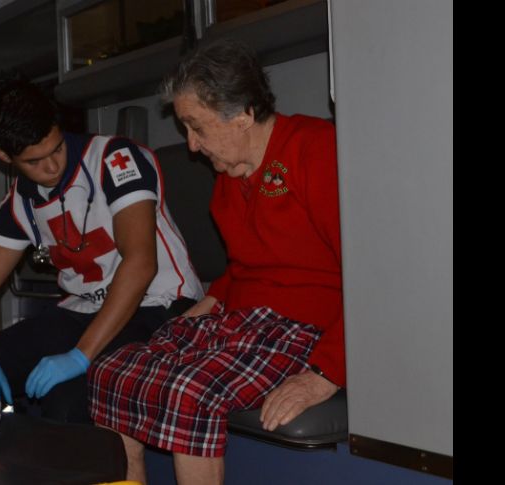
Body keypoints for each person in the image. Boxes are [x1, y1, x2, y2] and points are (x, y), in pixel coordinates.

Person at [88, 38, 345, 485]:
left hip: (302, 327)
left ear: (243, 115)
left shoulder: (316, 150)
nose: (191, 145)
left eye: (196, 127)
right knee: (110, 373)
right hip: (243, 321)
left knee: (190, 393)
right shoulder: (230, 175)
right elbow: (245, 267)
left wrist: (326, 374)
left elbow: (371, 276)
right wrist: (204, 306)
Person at [0, 71, 204, 423]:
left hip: (158, 306)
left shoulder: (115, 159)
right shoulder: (18, 204)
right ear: (3, 155)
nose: (52, 166)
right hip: (83, 310)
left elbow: (140, 263)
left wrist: (80, 357)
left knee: (67, 399)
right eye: (34, 161)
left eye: (57, 148)